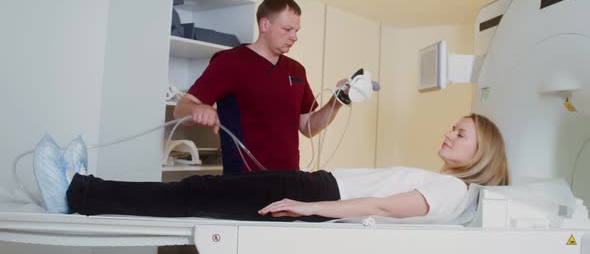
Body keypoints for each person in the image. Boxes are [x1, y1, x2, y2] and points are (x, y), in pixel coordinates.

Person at [35, 113, 509, 222]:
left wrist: (309, 207)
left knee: (194, 193)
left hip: (316, 190)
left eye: (461, 134)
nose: (449, 135)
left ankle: (77, 194)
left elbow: (386, 205)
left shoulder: (456, 193)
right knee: (198, 190)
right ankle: (84, 187)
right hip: (316, 185)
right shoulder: (449, 184)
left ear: (482, 151)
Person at [173, 0, 347, 174]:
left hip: (289, 179)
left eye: (296, 30)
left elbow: (308, 127)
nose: (294, 37)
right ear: (265, 25)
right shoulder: (230, 62)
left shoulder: (296, 71)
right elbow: (180, 109)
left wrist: (338, 101)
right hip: (244, 182)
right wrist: (197, 109)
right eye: (287, 29)